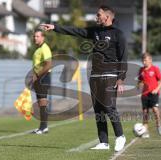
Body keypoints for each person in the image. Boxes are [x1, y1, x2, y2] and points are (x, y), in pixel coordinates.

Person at [41, 5, 127, 151]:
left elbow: (123, 58)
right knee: (98, 109)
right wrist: (55, 27)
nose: (96, 17)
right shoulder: (95, 31)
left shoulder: (118, 34)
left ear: (107, 17)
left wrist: (120, 79)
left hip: (110, 74)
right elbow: (75, 31)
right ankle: (104, 142)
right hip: (94, 75)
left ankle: (120, 136)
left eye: (99, 15)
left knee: (108, 107)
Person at [137, 53, 161, 138]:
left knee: (155, 109)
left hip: (153, 93)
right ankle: (145, 131)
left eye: (146, 60)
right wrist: (138, 86)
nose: (144, 62)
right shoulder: (141, 70)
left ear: (150, 60)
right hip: (144, 94)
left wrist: (156, 89)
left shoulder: (155, 69)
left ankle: (159, 125)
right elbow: (140, 80)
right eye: (143, 60)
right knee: (145, 112)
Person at [31, 29, 52, 134]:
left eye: (37, 36)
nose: (35, 38)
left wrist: (38, 75)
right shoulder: (38, 49)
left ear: (42, 37)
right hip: (39, 77)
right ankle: (42, 127)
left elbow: (48, 64)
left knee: (42, 101)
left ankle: (44, 127)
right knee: (40, 102)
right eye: (34, 36)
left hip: (43, 77)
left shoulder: (45, 48)